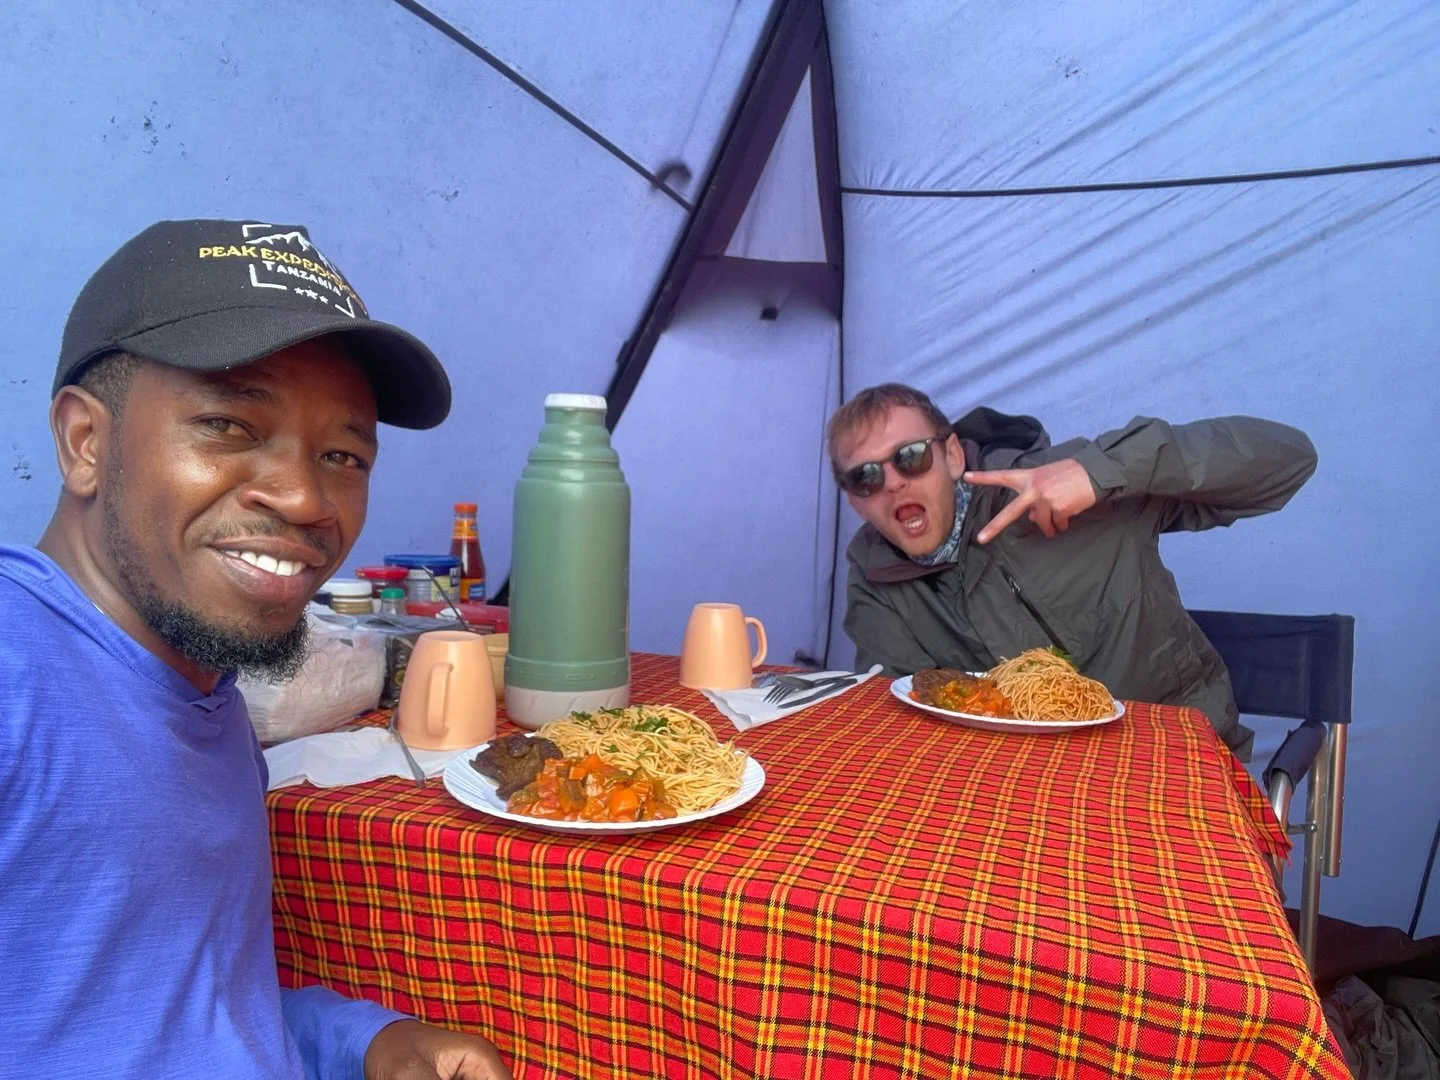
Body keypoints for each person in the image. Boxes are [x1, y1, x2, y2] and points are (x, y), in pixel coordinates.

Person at [0, 219, 512, 1079]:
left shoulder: (202, 689)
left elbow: (169, 1006)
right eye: (229, 425)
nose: (306, 498)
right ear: (86, 442)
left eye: (343, 454)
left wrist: (361, 1042)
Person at [829, 383, 1319, 759]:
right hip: (1025, 788)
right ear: (854, 502)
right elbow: (902, 720)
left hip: (1173, 759)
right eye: (865, 476)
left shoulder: (1066, 480)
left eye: (910, 457)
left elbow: (1289, 460)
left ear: (952, 456)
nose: (892, 483)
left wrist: (1102, 472)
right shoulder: (874, 572)